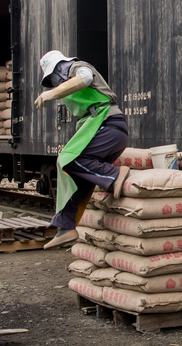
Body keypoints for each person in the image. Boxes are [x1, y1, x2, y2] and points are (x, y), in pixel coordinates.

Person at [35, 50, 129, 249]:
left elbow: (85, 78)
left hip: (108, 125)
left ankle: (113, 175)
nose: (55, 82)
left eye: (54, 76)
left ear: (60, 67)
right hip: (99, 127)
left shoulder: (77, 68)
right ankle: (65, 227)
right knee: (77, 177)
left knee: (69, 159)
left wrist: (50, 94)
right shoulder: (67, 81)